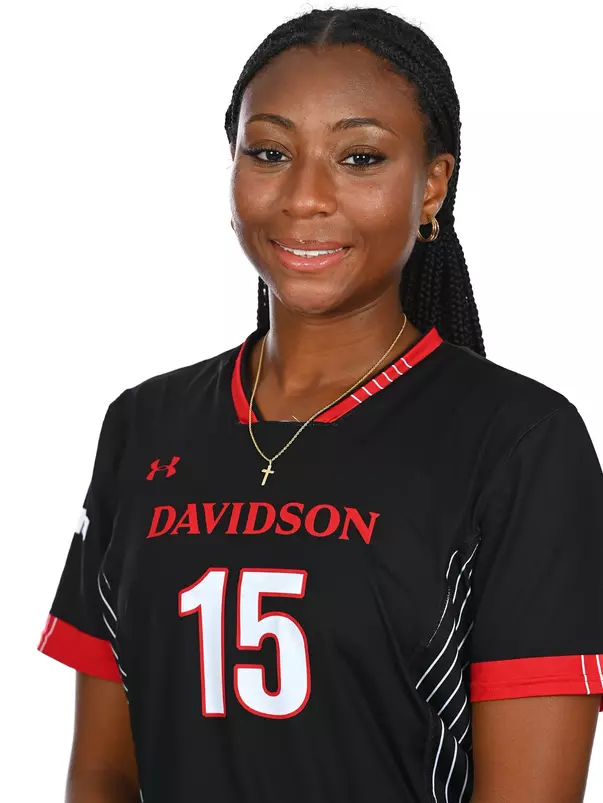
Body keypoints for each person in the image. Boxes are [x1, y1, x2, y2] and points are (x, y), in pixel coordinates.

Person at [37, 7, 603, 803]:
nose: (304, 197)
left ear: (432, 183)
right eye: (268, 152)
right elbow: (101, 769)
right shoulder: (142, 424)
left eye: (359, 157)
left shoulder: (518, 442)